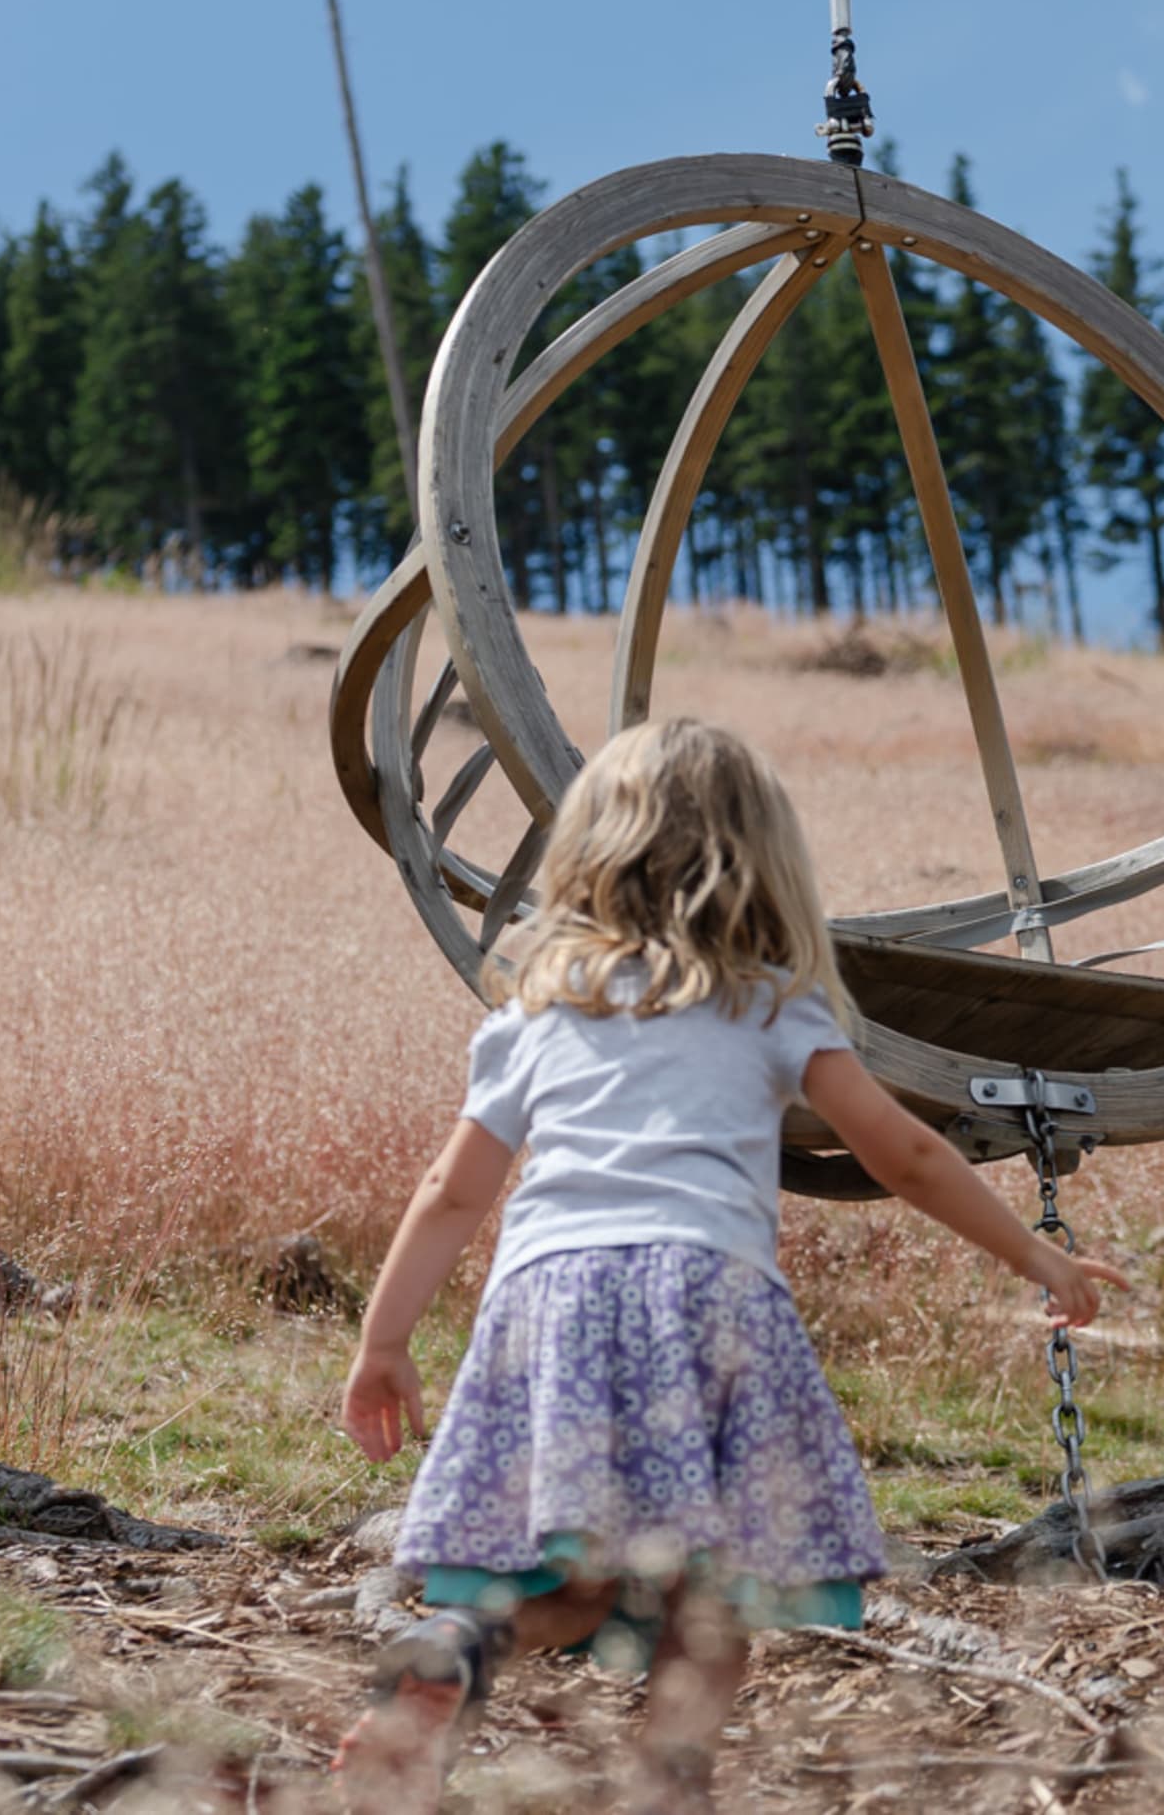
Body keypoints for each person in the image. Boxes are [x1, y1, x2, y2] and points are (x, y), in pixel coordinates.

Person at [330, 716, 1124, 1810]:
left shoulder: (537, 1011)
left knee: (570, 1574)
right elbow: (905, 1152)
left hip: (550, 1299)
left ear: (586, 857)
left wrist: (384, 1343)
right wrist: (1033, 1250)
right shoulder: (766, 1001)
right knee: (717, 1594)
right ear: (761, 861)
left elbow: (452, 1191)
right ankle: (673, 1782)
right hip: (706, 1294)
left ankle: (460, 1643)